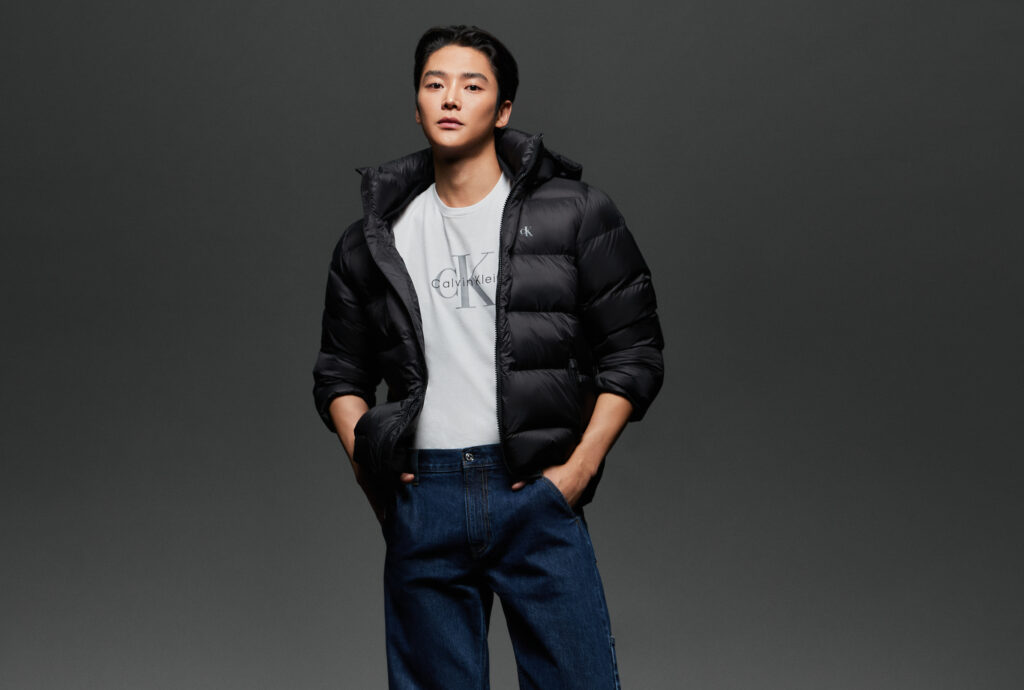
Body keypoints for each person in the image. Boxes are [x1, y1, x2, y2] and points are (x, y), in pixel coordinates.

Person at [313, 24, 663, 689]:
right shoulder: (371, 242)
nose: (450, 98)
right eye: (434, 84)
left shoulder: (576, 214)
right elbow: (339, 374)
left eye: (471, 86)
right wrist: (374, 471)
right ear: (417, 105)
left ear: (502, 111)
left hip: (534, 488)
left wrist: (579, 470)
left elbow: (634, 351)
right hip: (426, 495)